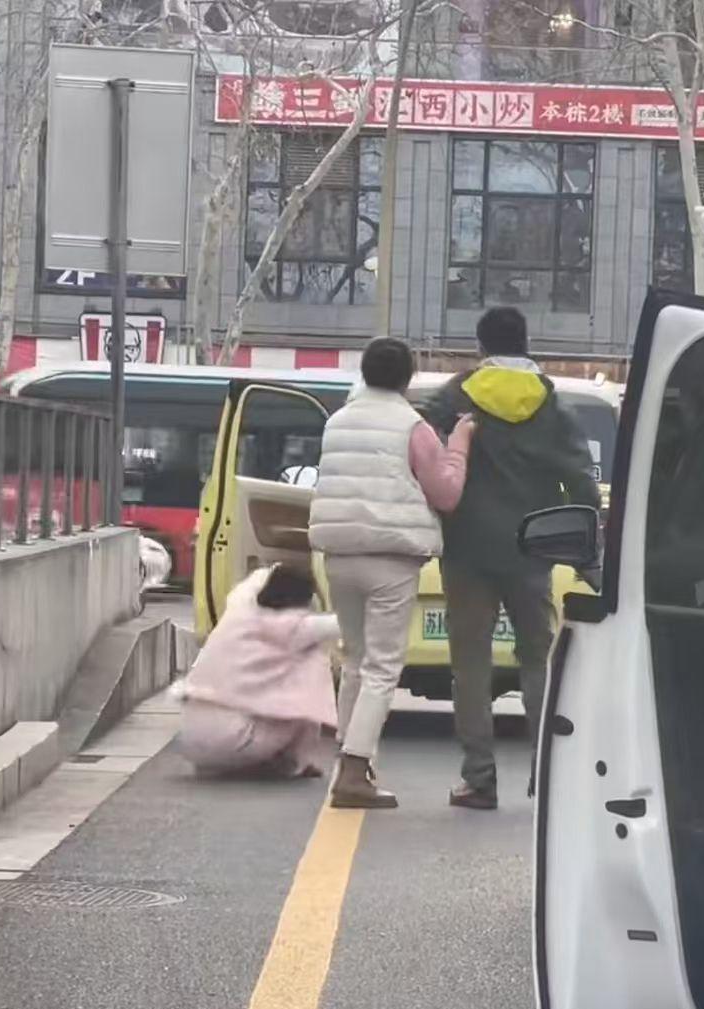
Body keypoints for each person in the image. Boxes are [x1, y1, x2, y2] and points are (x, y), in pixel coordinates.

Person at [423, 306, 600, 810]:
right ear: (527, 343)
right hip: (533, 550)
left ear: (480, 346)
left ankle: (479, 780)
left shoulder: (456, 396)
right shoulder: (552, 403)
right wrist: (587, 545)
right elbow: (581, 479)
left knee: (471, 666)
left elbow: (419, 446)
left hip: (467, 549)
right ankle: (547, 778)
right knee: (537, 660)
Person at [310, 337, 476, 809]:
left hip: (339, 553)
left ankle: (347, 759)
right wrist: (459, 445)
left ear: (364, 372)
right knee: (383, 667)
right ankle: (355, 769)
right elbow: (446, 493)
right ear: (407, 378)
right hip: (390, 556)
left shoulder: (337, 421)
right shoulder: (412, 427)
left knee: (355, 659)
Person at [173, 564, 340, 778]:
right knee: (305, 704)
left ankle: (227, 762)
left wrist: (274, 570)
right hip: (234, 742)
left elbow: (251, 583)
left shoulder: (238, 615)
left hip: (188, 738)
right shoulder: (296, 628)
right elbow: (345, 623)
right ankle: (294, 763)